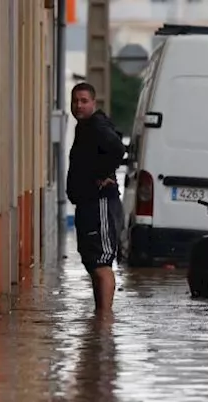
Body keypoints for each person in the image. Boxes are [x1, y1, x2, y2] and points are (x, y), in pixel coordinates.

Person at [67, 82, 126, 313]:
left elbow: (118, 149)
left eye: (84, 101)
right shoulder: (85, 127)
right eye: (75, 101)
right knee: (93, 261)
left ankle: (104, 320)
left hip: (100, 203)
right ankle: (99, 318)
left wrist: (102, 174)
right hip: (88, 204)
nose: (79, 105)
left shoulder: (96, 124)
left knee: (101, 263)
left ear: (94, 103)